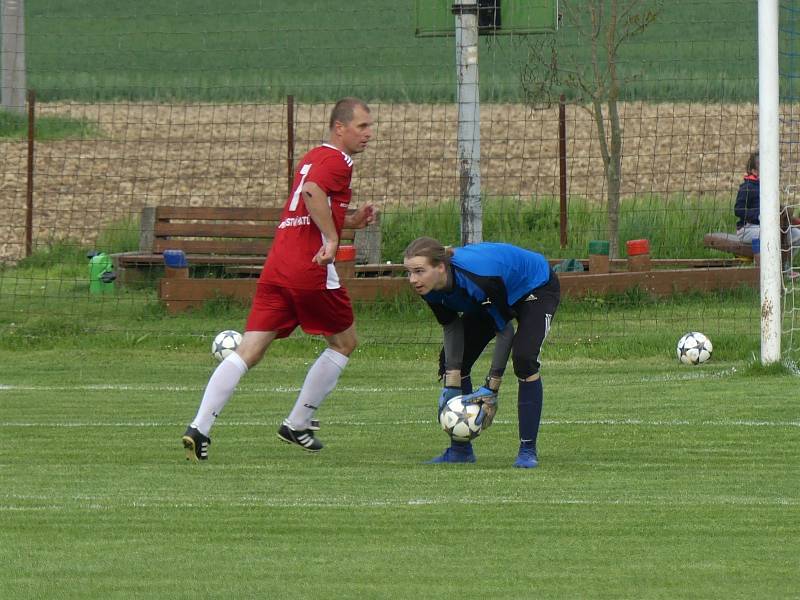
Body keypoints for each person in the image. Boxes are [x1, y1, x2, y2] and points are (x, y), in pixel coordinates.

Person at [182, 97, 376, 461]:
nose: (369, 134)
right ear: (340, 128)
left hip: (277, 265)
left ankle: (199, 428)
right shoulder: (338, 160)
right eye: (362, 126)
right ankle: (298, 422)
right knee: (344, 342)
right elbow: (312, 193)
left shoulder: (311, 157)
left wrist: (348, 223)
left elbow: (308, 206)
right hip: (308, 267)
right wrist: (333, 240)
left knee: (249, 350)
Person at [403, 237, 560, 468]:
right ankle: (461, 450)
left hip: (534, 286)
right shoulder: (428, 286)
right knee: (451, 362)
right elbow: (450, 325)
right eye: (409, 272)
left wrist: (491, 388)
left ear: (440, 267)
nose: (413, 279)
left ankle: (527, 450)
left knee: (524, 359)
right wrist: (451, 382)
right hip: (495, 293)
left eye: (419, 271)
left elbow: (504, 331)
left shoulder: (479, 279)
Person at [735, 150, 800, 250]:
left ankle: (784, 263)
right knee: (770, 234)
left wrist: (786, 216)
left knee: (797, 234)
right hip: (747, 230)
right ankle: (761, 262)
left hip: (770, 227)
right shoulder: (747, 187)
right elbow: (738, 210)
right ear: (754, 171)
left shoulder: (770, 186)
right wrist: (759, 215)